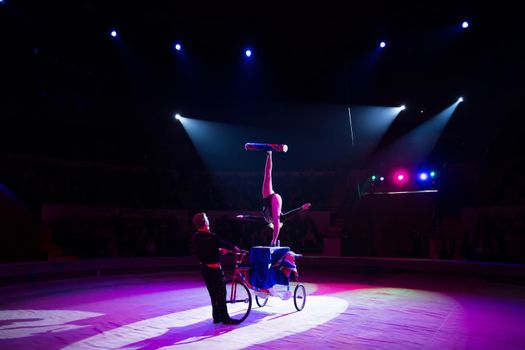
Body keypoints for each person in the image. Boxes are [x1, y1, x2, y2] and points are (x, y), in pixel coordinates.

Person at [191, 212, 241, 325]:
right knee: (221, 294)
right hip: (214, 270)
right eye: (207, 218)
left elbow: (206, 250)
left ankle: (217, 317)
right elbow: (224, 244)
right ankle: (225, 318)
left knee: (213, 294)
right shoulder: (212, 237)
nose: (208, 218)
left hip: (204, 269)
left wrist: (218, 251)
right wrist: (236, 249)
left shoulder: (196, 237)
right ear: (205, 222)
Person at [262, 151, 311, 246]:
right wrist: (301, 208)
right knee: (276, 221)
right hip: (275, 199)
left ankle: (269, 155)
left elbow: (255, 219)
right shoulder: (280, 219)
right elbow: (291, 214)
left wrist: (244, 217)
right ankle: (274, 240)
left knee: (267, 175)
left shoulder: (266, 220)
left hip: (267, 197)